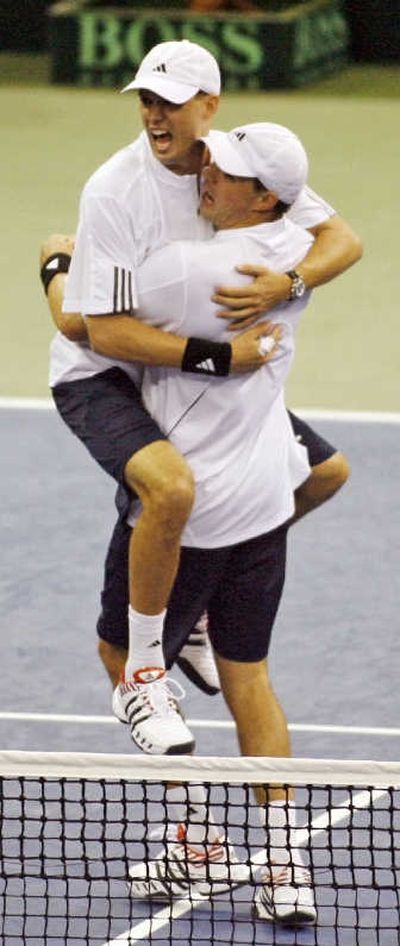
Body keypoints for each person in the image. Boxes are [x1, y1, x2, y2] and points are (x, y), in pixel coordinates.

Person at [43, 38, 357, 755]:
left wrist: (291, 281)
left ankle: (203, 603)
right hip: (102, 370)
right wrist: (222, 357)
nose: (154, 116)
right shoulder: (115, 191)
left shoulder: (237, 165)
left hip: (177, 363)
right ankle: (147, 672)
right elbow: (98, 331)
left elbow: (342, 239)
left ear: (209, 108)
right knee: (172, 487)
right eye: (146, 100)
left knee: (322, 473)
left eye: (171, 103)